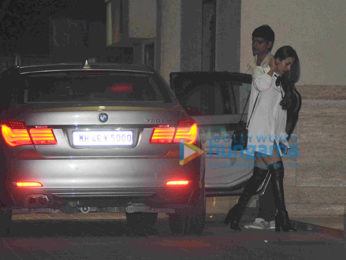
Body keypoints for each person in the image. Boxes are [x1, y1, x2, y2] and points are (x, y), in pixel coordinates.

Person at [224, 45, 301, 232]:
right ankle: (283, 217)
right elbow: (260, 85)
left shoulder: (282, 83)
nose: (289, 68)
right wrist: (271, 67)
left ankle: (236, 214)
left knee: (258, 176)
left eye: (291, 65)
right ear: (277, 60)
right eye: (287, 63)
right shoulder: (261, 73)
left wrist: (282, 137)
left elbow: (280, 114)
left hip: (269, 135)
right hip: (259, 133)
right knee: (277, 170)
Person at [245, 24, 277, 230]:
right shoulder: (262, 64)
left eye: (259, 42)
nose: (254, 45)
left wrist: (258, 67)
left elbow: (263, 85)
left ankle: (267, 217)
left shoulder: (271, 64)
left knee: (270, 171)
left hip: (267, 128)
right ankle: (265, 217)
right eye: (253, 41)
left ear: (269, 44)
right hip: (258, 127)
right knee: (263, 171)